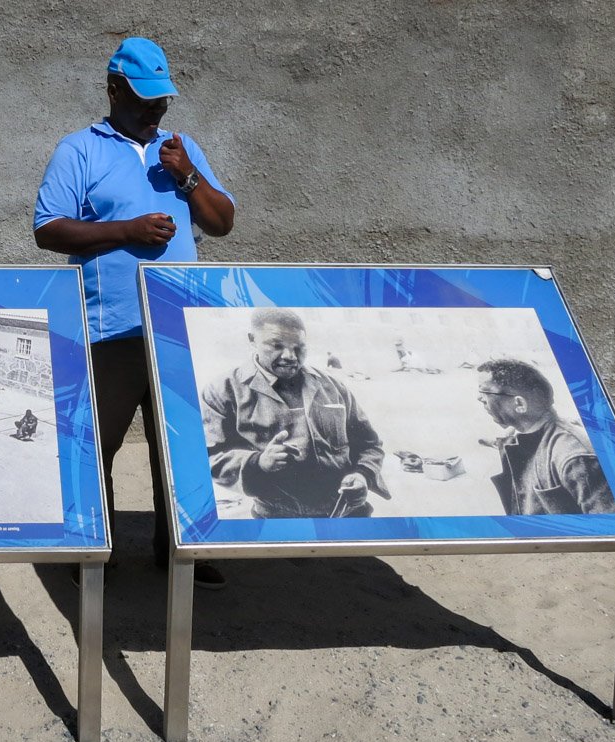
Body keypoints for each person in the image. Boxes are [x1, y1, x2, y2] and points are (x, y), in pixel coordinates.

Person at [33, 37, 235, 588]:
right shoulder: (79, 150)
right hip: (110, 327)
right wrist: (127, 231)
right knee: (99, 443)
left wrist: (188, 177)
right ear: (114, 88)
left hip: (177, 326)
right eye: (145, 99)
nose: (156, 110)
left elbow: (222, 223)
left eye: (163, 99)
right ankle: (94, 551)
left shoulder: (180, 147)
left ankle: (180, 552)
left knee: (182, 445)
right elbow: (47, 229)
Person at [201, 309, 391, 518]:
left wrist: (362, 475)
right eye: (277, 345)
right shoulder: (224, 391)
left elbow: (369, 444)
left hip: (347, 514)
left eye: (299, 348)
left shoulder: (333, 387)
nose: (290, 356)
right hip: (277, 519)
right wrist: (258, 463)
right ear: (252, 340)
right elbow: (209, 457)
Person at [477, 359, 615, 515]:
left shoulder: (574, 457)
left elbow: (609, 528)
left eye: (485, 392)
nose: (480, 398)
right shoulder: (522, 433)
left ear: (520, 404)